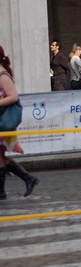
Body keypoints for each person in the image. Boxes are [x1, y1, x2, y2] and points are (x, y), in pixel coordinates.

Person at [0, 45, 39, 200]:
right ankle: (28, 178)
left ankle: (2, 193)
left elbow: (13, 97)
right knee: (1, 156)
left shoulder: (2, 74)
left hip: (3, 120)